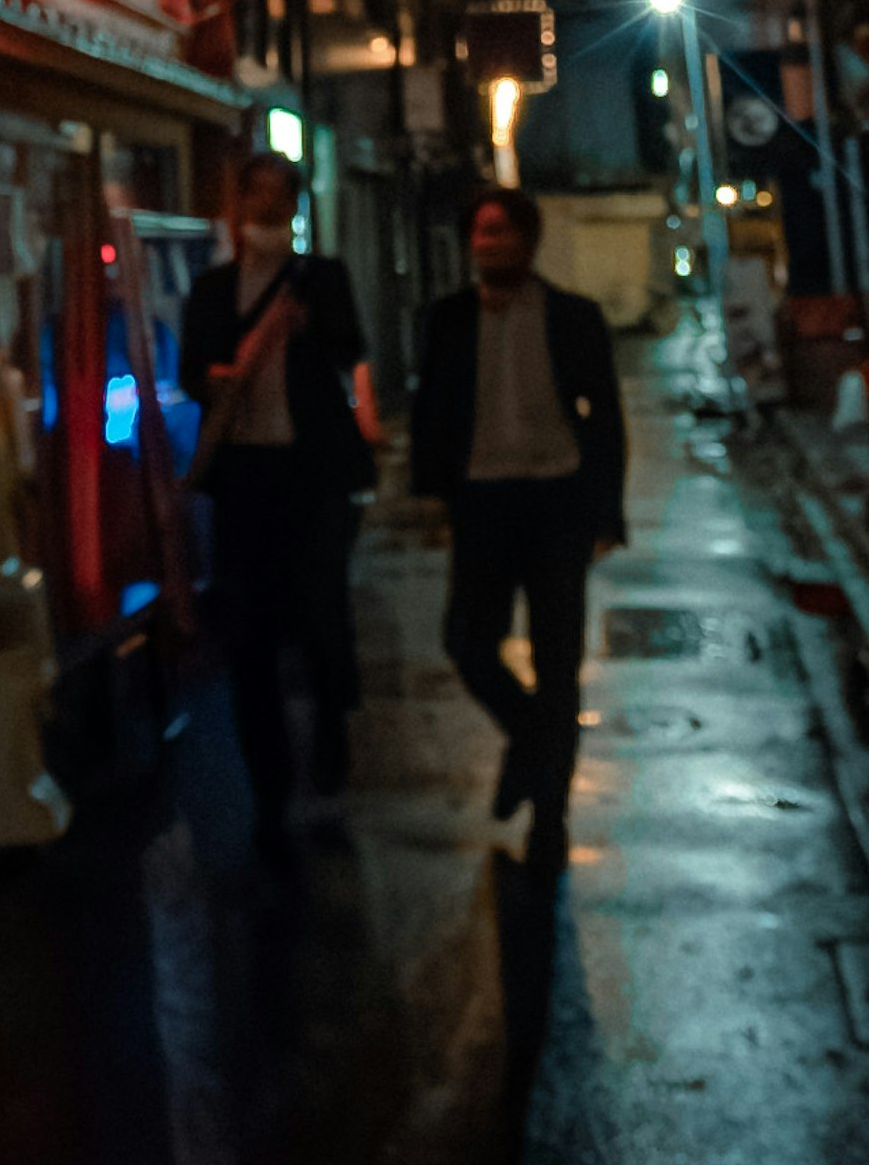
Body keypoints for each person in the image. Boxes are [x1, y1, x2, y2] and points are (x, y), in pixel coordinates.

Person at [409, 185, 626, 858]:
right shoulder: (446, 319)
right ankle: (531, 741)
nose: (488, 243)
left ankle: (550, 816)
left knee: (559, 661)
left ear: (528, 242)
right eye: (479, 233)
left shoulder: (575, 317)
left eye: (500, 232)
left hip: (556, 501)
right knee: (468, 643)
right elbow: (432, 411)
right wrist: (431, 494)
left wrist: (606, 511)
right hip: (483, 504)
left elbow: (606, 419)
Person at [175, 151, 377, 864]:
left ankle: (328, 730)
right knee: (249, 631)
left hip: (311, 471)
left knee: (320, 612)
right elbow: (193, 372)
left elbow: (351, 346)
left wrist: (305, 325)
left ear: (292, 204)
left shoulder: (319, 277)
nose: (263, 208)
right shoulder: (211, 288)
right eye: (252, 195)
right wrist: (231, 364)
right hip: (244, 475)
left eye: (274, 196)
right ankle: (268, 786)